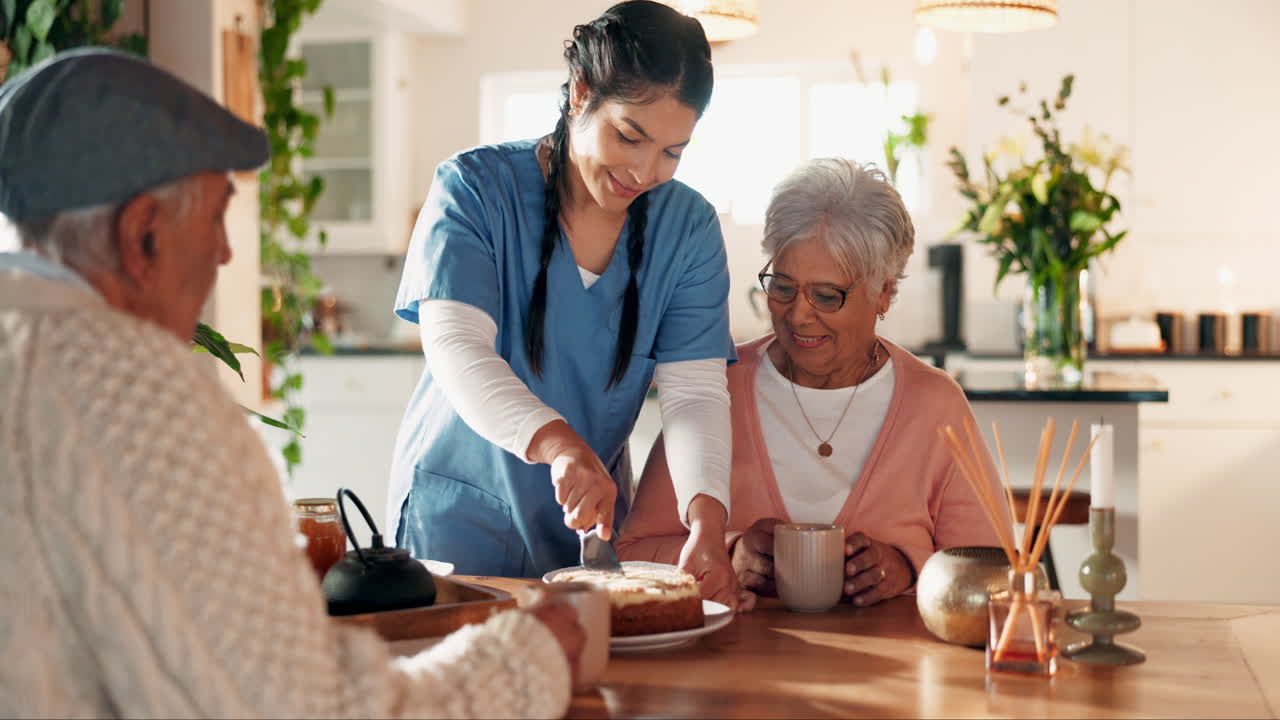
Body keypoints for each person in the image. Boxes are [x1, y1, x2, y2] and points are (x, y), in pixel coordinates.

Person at [0, 48, 583, 719]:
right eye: (218, 215)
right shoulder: (133, 390)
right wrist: (527, 658)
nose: (224, 252)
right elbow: (306, 707)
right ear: (143, 233)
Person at [389, 0, 744, 606]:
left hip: (589, 530)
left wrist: (705, 523)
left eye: (672, 151)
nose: (643, 169)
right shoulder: (474, 190)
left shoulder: (688, 229)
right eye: (629, 135)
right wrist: (560, 446)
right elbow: (455, 349)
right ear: (581, 92)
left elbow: (694, 394)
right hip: (457, 521)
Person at [616, 158, 1008, 607]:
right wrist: (731, 553)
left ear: (884, 292)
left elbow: (994, 569)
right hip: (737, 668)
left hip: (892, 671)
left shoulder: (934, 404)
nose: (799, 314)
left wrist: (908, 567)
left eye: (826, 296)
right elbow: (631, 554)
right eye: (782, 287)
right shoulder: (713, 390)